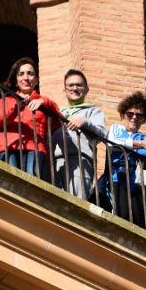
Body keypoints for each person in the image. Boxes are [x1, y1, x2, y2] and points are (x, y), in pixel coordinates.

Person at [0, 58, 62, 181]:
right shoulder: (7, 100)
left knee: (32, 180)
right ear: (16, 80)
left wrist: (43, 101)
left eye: (30, 73)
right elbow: (0, 121)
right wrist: (17, 105)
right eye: (21, 74)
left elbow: (59, 121)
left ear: (36, 80)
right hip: (8, 146)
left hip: (35, 148)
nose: (26, 77)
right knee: (11, 178)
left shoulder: (42, 103)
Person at [106, 92, 146, 226]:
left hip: (137, 184)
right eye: (130, 114)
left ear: (143, 119)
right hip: (116, 179)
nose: (134, 117)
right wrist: (143, 145)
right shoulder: (116, 128)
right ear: (123, 115)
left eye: (139, 115)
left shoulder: (145, 138)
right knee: (120, 217)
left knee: (136, 221)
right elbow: (112, 142)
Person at [52, 69, 106, 202]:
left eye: (79, 85)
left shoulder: (93, 111)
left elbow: (102, 134)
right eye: (70, 85)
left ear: (87, 89)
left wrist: (85, 122)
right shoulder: (59, 113)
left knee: (76, 203)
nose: (74, 88)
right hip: (55, 162)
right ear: (65, 90)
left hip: (80, 161)